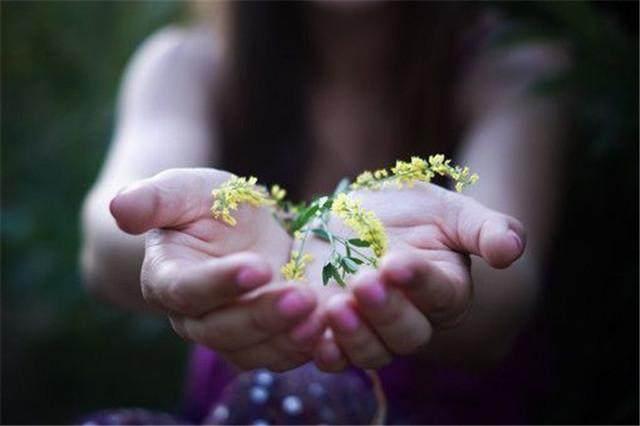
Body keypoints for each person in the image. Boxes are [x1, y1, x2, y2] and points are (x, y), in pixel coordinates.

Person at [81, 2, 567, 424]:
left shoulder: (511, 71)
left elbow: (505, 284)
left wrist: (411, 270)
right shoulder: (187, 65)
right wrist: (182, 238)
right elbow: (109, 236)